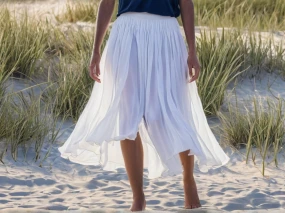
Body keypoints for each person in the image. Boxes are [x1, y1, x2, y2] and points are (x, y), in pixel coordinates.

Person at [57, 0, 230, 211]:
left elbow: (186, 2)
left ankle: (188, 180)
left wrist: (192, 50)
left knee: (171, 112)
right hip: (126, 34)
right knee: (127, 118)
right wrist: (96, 50)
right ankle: (138, 197)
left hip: (166, 35)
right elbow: (107, 2)